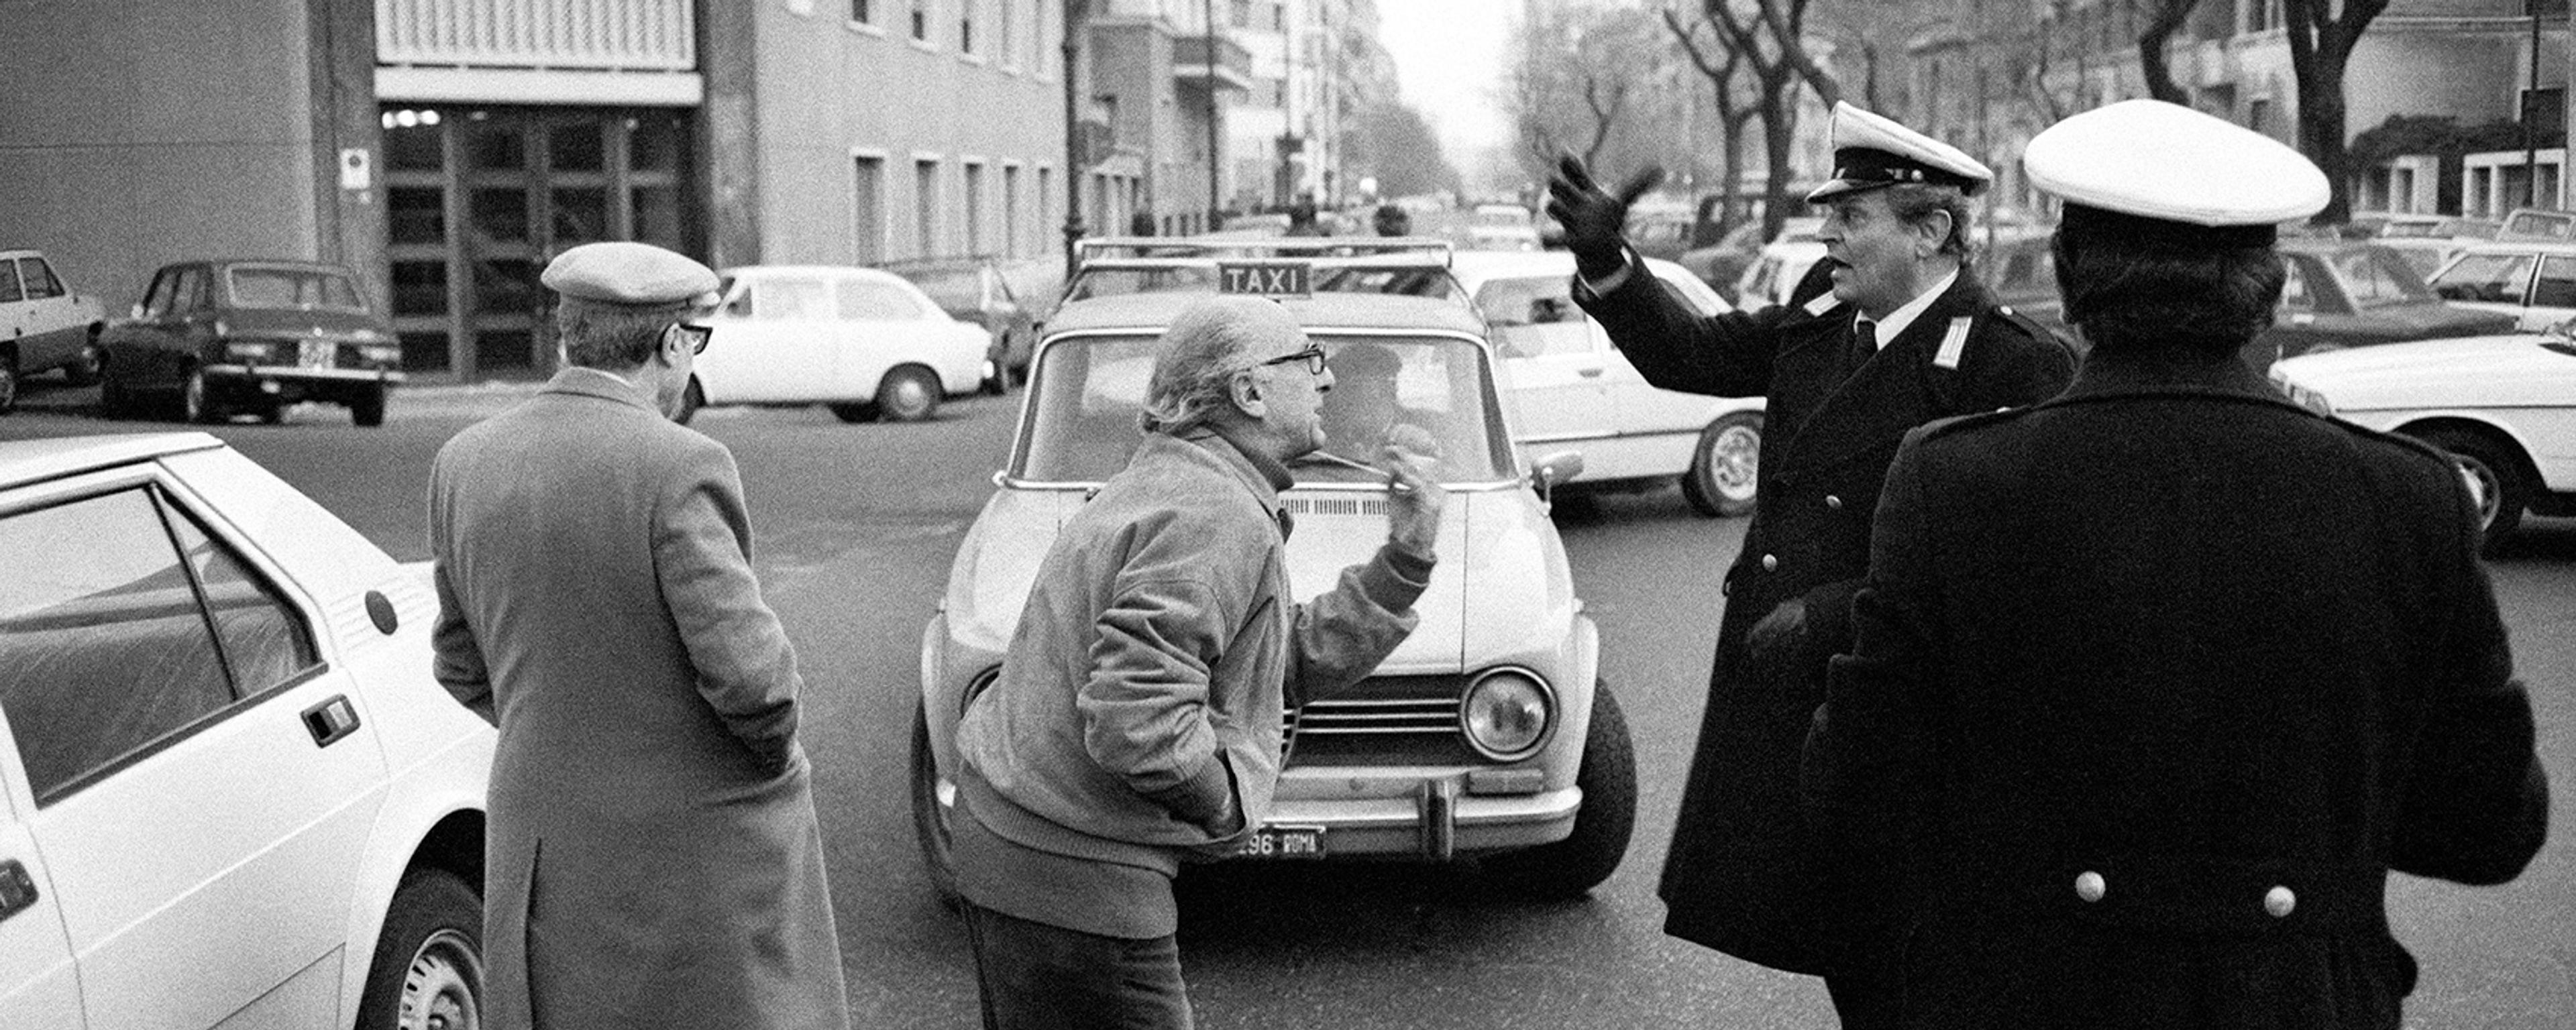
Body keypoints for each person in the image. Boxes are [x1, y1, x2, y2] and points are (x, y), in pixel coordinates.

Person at [1802, 99, 2549, 1028]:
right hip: (2298, 998)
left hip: (2025, 990)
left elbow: (1856, 792)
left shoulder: (1951, 482)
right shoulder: (2409, 496)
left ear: (2072, 280)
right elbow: (2489, 827)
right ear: (2267, 285)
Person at [1547, 102, 2077, 1025]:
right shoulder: (1827, 317)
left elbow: (2008, 569)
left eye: (1853, 213)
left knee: (1914, 959)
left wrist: (1837, 612)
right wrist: (1608, 264)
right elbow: (1692, 354)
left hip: (1907, 709)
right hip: (1798, 694)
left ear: (1932, 232)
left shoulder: (2005, 363)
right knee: (1849, 946)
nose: (1826, 229)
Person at [949, 294, 1445, 1029]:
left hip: (1029, 850)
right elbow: (1136, 720)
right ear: (1248, 392)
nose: (1328, 380)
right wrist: (1226, 805)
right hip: (1079, 874)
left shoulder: (1185, 483)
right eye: (1307, 362)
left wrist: (1404, 559)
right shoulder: (1215, 512)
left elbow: (1272, 664)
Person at [428, 241, 850, 1030]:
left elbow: (460, 664)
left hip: (541, 841)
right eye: (697, 340)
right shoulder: (678, 464)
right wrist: (770, 755)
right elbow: (756, 689)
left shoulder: (462, 461)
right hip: (690, 860)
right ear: (673, 343)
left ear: (571, 335)